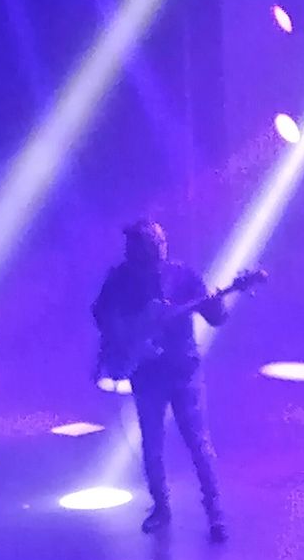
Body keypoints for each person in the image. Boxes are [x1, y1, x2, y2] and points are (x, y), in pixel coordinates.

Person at [92, 220, 229, 542]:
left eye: (137, 243)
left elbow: (217, 318)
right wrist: (126, 333)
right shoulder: (120, 278)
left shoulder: (183, 276)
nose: (129, 249)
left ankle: (216, 513)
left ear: (156, 245)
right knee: (152, 445)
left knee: (198, 442)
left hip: (183, 369)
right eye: (130, 244)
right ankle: (161, 508)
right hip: (146, 372)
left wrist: (215, 302)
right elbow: (100, 315)